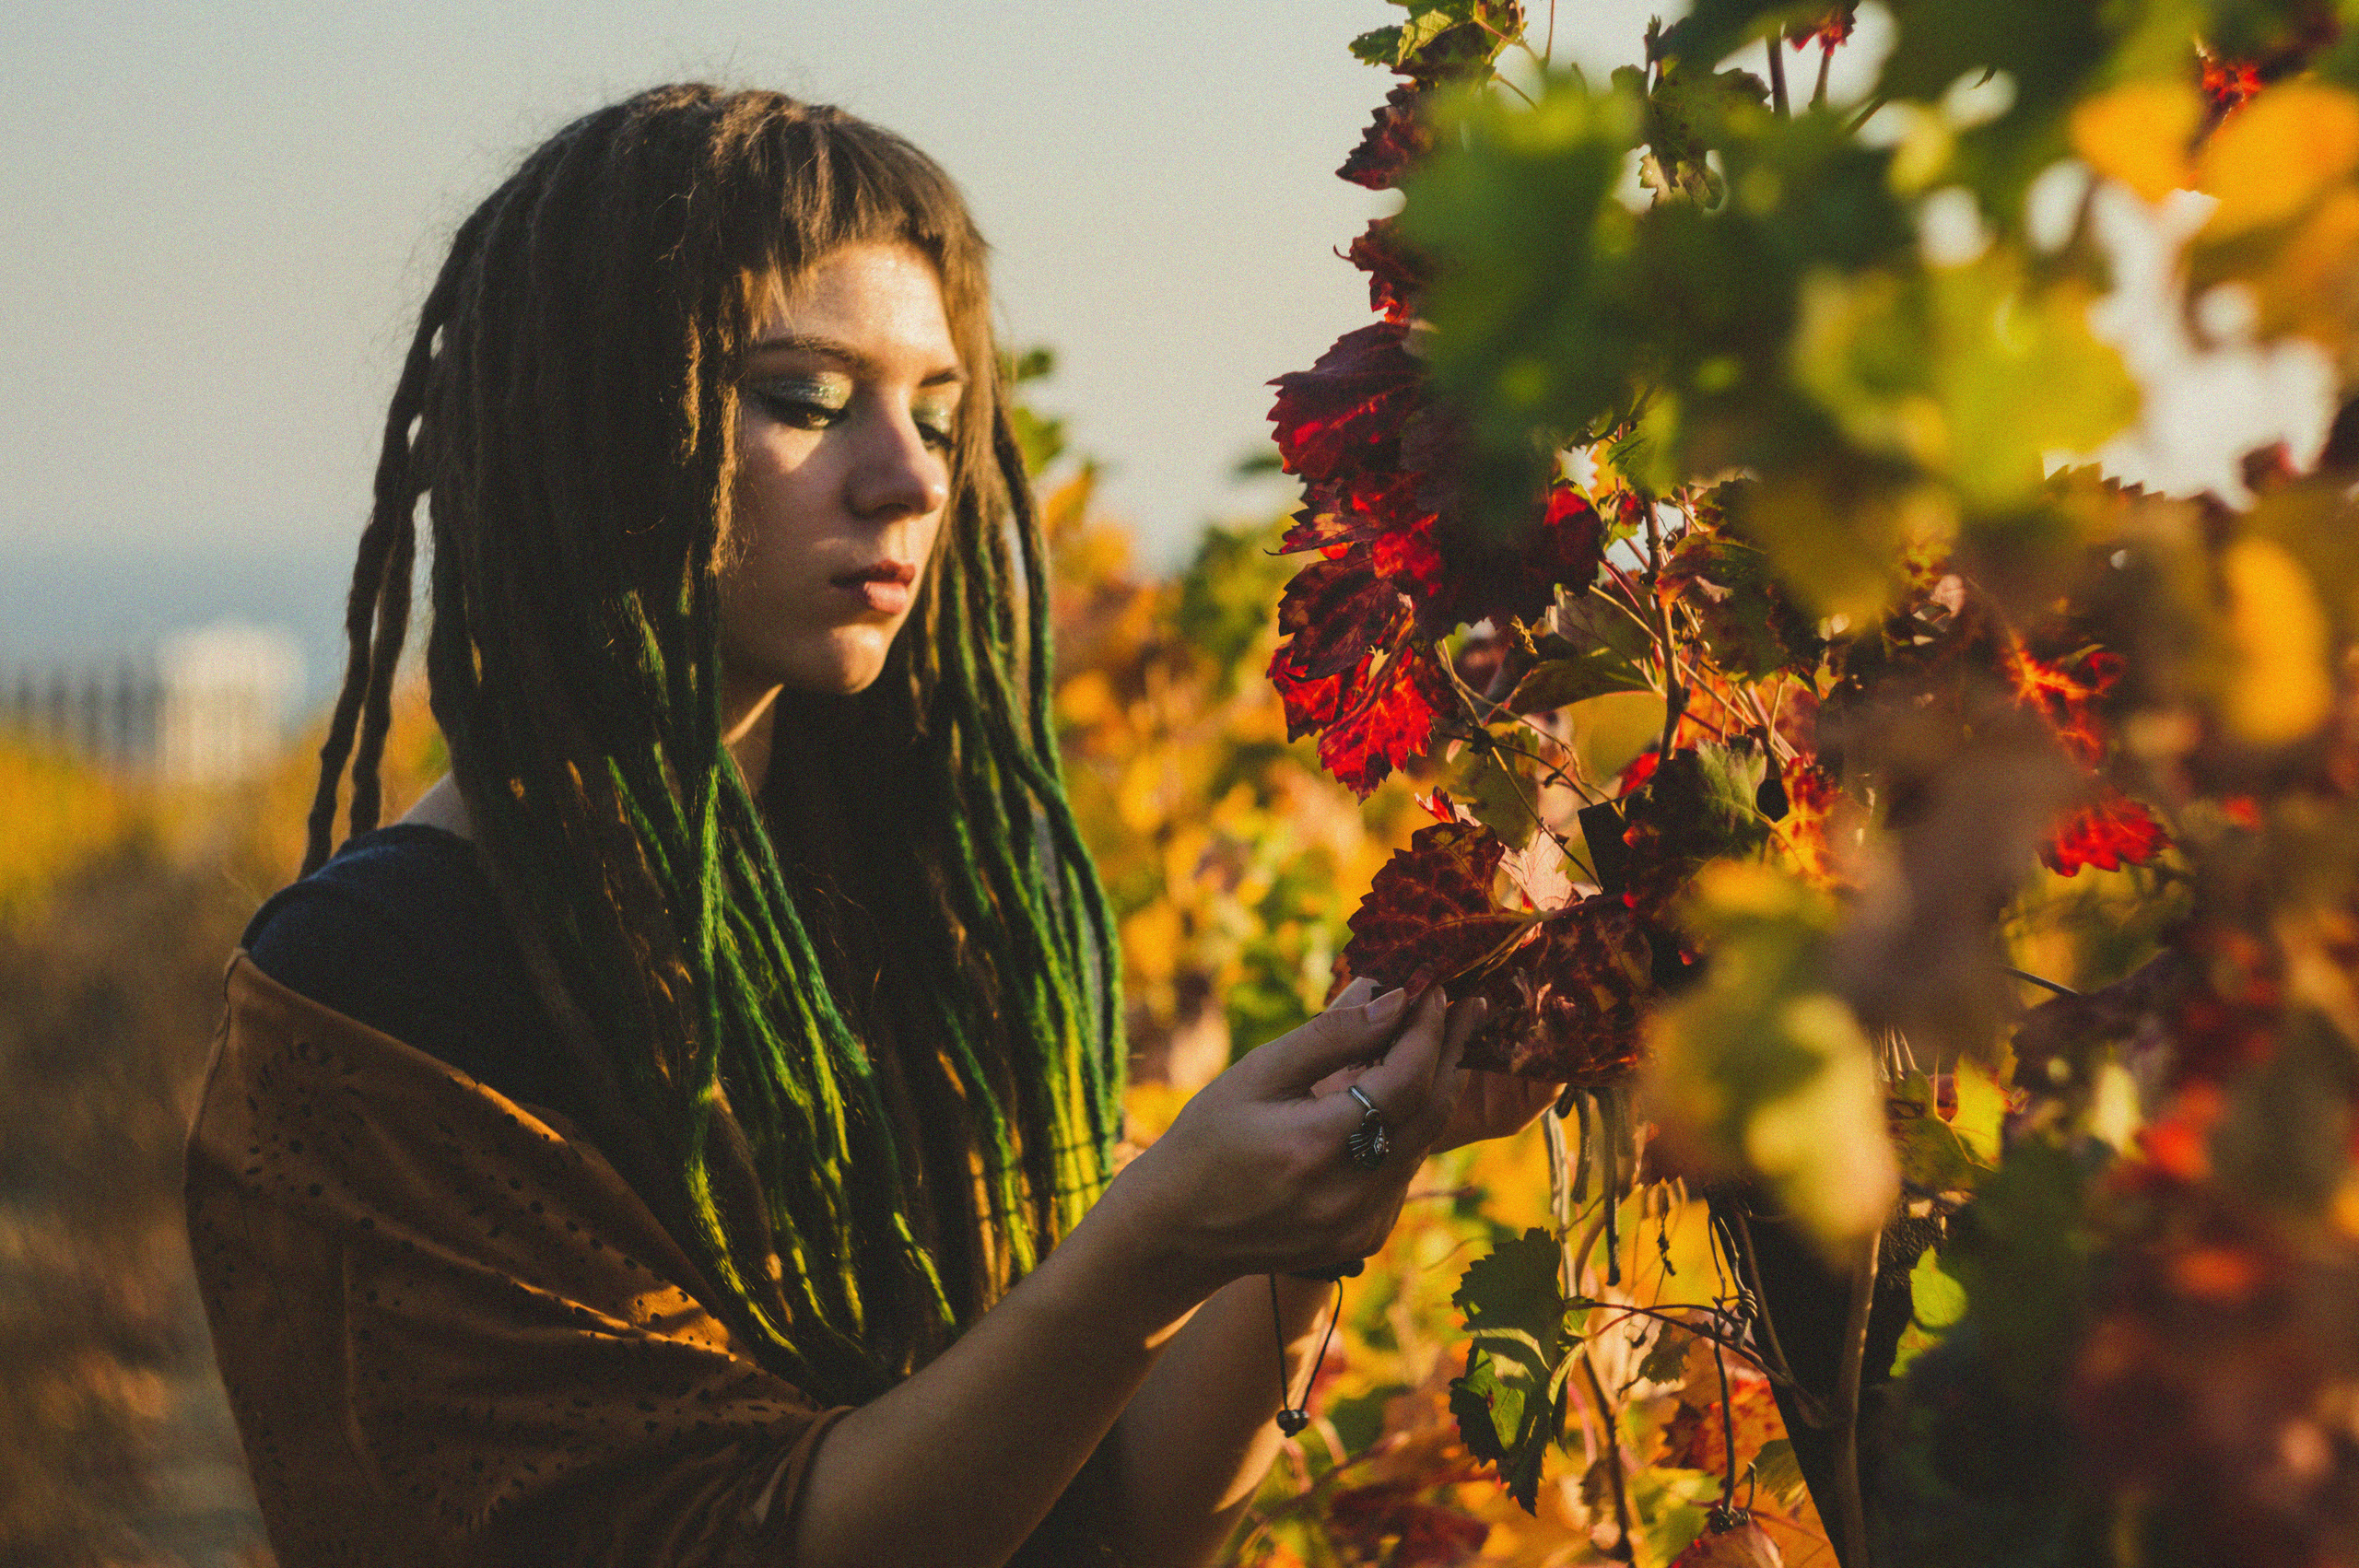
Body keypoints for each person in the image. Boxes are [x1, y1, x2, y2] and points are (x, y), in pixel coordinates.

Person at [186, 85, 1557, 1568]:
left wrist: (1346, 1165)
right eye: (807, 399)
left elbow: (1119, 1527)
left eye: (939, 412)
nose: (909, 478)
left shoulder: (953, 908)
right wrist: (1147, 1244)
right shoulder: (377, 994)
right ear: (598, 420)